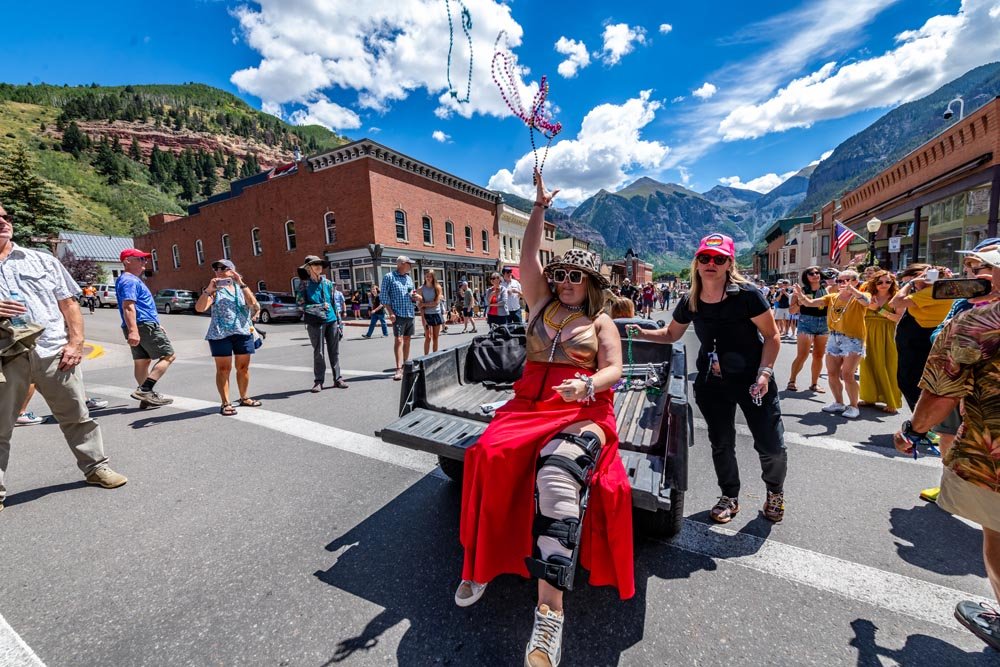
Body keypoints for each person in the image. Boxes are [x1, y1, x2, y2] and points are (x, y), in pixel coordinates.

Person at [456, 170, 632, 666]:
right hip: (526, 408)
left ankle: (549, 615)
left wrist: (589, 383)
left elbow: (616, 367)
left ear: (592, 282)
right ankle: (482, 562)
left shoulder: (600, 322)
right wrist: (537, 208)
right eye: (561, 275)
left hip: (582, 412)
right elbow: (527, 256)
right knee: (486, 454)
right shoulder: (539, 303)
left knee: (557, 477)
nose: (565, 282)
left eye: (576, 276)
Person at [629, 233, 786, 524]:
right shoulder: (691, 300)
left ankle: (774, 492)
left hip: (754, 380)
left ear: (729, 263)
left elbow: (772, 336)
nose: (711, 263)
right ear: (697, 263)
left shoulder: (748, 295)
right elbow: (671, 334)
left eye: (719, 258)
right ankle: (730, 496)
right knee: (721, 443)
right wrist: (638, 332)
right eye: (705, 258)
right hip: (712, 383)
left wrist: (765, 373)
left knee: (771, 444)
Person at [893, 243, 1000, 652]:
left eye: (976, 267)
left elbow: (939, 394)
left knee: (998, 533)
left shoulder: (977, 323)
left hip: (992, 454)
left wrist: (912, 431)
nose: (966, 273)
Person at [0, 202, 127, 511]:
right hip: (5, 357)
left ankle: (96, 467)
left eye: (5, 216)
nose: (3, 222)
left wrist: (76, 342)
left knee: (77, 416)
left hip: (53, 352)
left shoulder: (40, 260)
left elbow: (69, 304)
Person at [918, 238, 1000, 503]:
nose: (979, 275)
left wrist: (913, 430)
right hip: (972, 406)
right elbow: (938, 334)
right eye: (975, 268)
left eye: (987, 267)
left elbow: (941, 388)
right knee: (948, 434)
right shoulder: (965, 305)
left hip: (987, 434)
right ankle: (948, 484)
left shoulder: (977, 318)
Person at [794, 269, 871, 419]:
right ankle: (838, 403)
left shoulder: (861, 296)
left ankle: (853, 406)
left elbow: (866, 302)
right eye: (840, 281)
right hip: (834, 337)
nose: (843, 284)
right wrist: (801, 296)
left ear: (855, 281)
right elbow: (810, 303)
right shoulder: (832, 297)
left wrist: (853, 290)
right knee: (832, 373)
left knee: (847, 374)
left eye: (847, 280)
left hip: (853, 339)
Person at [195, 259, 262, 416]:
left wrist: (241, 282)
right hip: (220, 334)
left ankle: (244, 397)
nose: (219, 271)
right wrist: (208, 290)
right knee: (224, 369)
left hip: (243, 332)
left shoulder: (241, 288)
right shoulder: (215, 290)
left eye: (223, 268)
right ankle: (226, 403)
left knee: (243, 368)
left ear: (232, 270)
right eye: (216, 268)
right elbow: (199, 308)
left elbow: (252, 303)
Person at [889, 263, 956, 412]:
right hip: (922, 339)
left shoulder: (935, 291)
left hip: (919, 340)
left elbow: (895, 302)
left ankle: (923, 424)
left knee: (909, 382)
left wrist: (910, 284)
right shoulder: (944, 289)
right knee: (916, 381)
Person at [115, 248, 175, 407]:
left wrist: (155, 323)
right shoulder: (129, 280)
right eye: (140, 259)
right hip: (142, 325)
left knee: (142, 361)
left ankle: (145, 399)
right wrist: (134, 330)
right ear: (127, 261)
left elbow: (138, 306)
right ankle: (145, 390)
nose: (145, 262)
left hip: (141, 324)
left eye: (145, 259)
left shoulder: (127, 279)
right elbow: (128, 306)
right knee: (169, 356)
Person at [297, 255, 347, 392]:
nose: (319, 266)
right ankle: (318, 381)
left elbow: (334, 304)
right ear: (308, 268)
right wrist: (318, 307)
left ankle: (338, 379)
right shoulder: (304, 284)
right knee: (319, 352)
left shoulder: (328, 284)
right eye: (315, 264)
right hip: (315, 322)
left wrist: (339, 323)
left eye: (320, 264)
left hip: (332, 321)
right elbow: (300, 305)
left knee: (334, 352)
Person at [857, 270, 902, 414]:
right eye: (880, 282)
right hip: (867, 332)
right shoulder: (868, 296)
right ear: (874, 283)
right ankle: (869, 397)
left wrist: (878, 310)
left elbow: (898, 318)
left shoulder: (896, 297)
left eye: (888, 282)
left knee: (888, 365)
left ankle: (891, 401)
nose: (884, 285)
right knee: (867, 364)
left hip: (887, 334)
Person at [786, 266, 829, 393]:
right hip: (806, 323)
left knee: (818, 355)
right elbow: (792, 311)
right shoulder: (800, 291)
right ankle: (792, 380)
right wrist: (800, 300)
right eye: (811, 273)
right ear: (806, 276)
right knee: (802, 355)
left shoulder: (827, 290)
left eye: (817, 272)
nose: (815, 275)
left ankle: (814, 384)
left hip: (823, 324)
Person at [380, 256, 416, 381]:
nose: (411, 266)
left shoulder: (409, 278)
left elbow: (411, 294)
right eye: (409, 263)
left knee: (407, 339)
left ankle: (406, 365)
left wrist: (414, 297)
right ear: (402, 264)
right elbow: (384, 297)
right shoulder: (389, 277)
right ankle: (398, 368)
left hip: (409, 313)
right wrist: (390, 312)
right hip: (398, 313)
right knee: (399, 340)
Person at [418, 270, 444, 355]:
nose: (428, 278)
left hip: (436, 313)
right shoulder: (421, 289)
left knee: (435, 338)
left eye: (430, 276)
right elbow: (419, 306)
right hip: (426, 315)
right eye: (427, 276)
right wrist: (423, 318)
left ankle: (434, 356)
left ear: (433, 277)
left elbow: (436, 303)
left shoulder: (437, 287)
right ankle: (425, 358)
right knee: (428, 337)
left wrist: (424, 304)